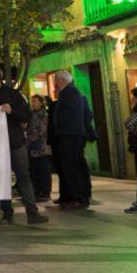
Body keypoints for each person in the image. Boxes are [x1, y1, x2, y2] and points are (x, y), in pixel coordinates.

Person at [0, 65, 48, 224]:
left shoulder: (13, 95)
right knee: (1, 180)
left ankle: (32, 213)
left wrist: (11, 111)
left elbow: (27, 116)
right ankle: (7, 213)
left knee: (24, 177)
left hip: (16, 143)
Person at [50, 70, 91, 210]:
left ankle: (78, 198)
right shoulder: (69, 92)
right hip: (69, 134)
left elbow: (69, 114)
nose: (55, 83)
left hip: (70, 135)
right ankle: (71, 196)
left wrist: (60, 124)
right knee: (69, 166)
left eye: (56, 80)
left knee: (72, 167)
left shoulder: (70, 93)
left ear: (62, 80)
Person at [27, 94, 53, 204]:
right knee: (35, 171)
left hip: (42, 147)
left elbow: (42, 131)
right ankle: (37, 191)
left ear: (41, 103)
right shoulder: (32, 114)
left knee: (43, 171)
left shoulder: (43, 115)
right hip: (33, 148)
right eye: (32, 101)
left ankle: (45, 192)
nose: (33, 104)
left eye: (35, 101)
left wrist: (30, 139)